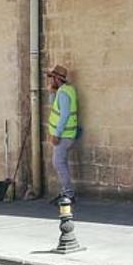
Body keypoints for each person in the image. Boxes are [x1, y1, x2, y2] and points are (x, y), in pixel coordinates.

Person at [47, 64, 80, 203]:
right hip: (67, 133)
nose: (49, 80)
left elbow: (64, 114)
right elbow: (54, 105)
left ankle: (68, 194)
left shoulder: (64, 93)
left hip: (64, 134)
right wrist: (52, 92)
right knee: (59, 162)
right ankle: (65, 192)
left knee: (59, 163)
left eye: (51, 78)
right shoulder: (65, 90)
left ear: (57, 78)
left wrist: (57, 134)